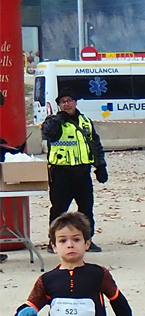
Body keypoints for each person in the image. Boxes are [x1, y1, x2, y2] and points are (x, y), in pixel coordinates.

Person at [42, 92, 107, 248]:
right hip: (60, 172)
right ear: (59, 105)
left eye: (69, 100)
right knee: (58, 210)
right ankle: (54, 242)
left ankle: (86, 241)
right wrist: (58, 120)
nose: (66, 104)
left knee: (86, 210)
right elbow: (48, 133)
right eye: (63, 102)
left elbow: (95, 144)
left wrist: (100, 166)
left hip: (82, 172)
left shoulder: (85, 121)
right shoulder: (54, 121)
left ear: (75, 102)